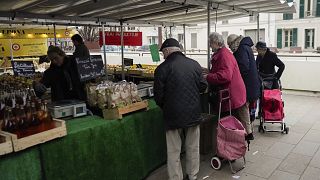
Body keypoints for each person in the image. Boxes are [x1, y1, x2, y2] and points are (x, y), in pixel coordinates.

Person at [154, 38, 207, 180]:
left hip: (172, 114)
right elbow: (203, 86)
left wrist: (165, 106)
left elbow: (158, 96)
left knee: (173, 150)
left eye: (163, 53)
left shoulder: (161, 69)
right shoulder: (195, 64)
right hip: (193, 112)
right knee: (193, 147)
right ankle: (192, 175)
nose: (163, 56)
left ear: (167, 51)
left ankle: (176, 177)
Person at [206, 32, 253, 140]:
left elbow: (225, 76)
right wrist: (209, 72)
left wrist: (208, 77)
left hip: (232, 93)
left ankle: (236, 142)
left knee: (234, 120)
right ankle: (242, 139)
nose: (209, 46)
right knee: (240, 119)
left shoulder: (223, 55)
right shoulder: (224, 53)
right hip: (235, 91)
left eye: (210, 43)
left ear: (216, 43)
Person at [227, 35, 260, 130]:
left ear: (235, 42)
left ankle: (247, 132)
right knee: (248, 109)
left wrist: (234, 75)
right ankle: (249, 129)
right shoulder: (246, 47)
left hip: (247, 85)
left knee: (243, 108)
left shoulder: (241, 49)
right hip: (252, 84)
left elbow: (243, 67)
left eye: (230, 45)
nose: (230, 47)